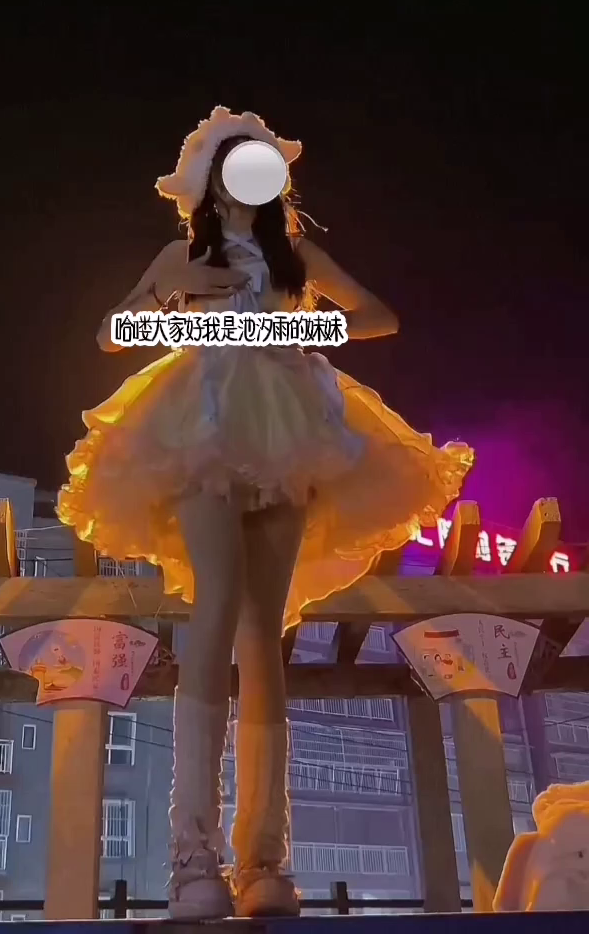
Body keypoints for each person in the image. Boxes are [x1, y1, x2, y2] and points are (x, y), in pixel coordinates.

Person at [58, 106, 474, 919]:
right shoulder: (184, 256)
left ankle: (263, 862)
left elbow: (378, 316)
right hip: (201, 420)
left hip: (287, 421)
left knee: (264, 634)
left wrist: (296, 323)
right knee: (216, 609)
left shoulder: (297, 255)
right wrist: (173, 296)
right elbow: (113, 332)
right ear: (211, 183)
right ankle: (193, 860)